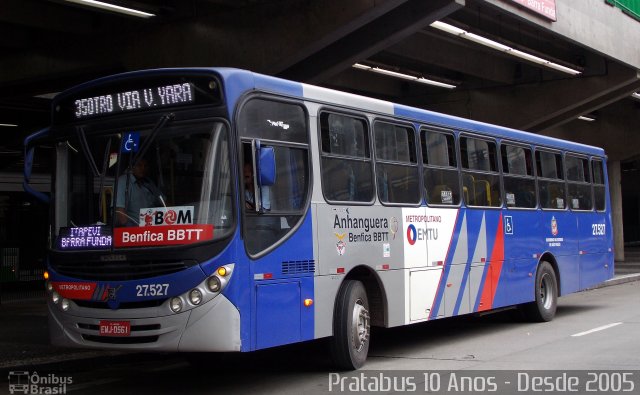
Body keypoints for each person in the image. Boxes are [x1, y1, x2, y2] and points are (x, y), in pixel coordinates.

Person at [116, 158, 163, 226]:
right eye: (139, 165)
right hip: (135, 230)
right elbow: (120, 214)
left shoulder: (148, 183)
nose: (143, 168)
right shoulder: (123, 182)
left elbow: (164, 202)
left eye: (145, 166)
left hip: (154, 227)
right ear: (132, 167)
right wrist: (135, 233)